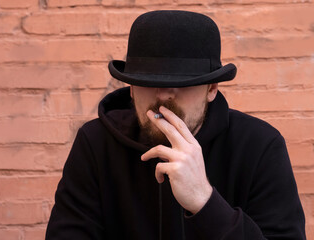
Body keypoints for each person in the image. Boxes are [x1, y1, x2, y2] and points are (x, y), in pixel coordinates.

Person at [46, 10, 306, 239]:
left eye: (181, 83)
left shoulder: (259, 146)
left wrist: (204, 201)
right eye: (148, 82)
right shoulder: (96, 143)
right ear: (132, 89)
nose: (163, 95)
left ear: (212, 88)